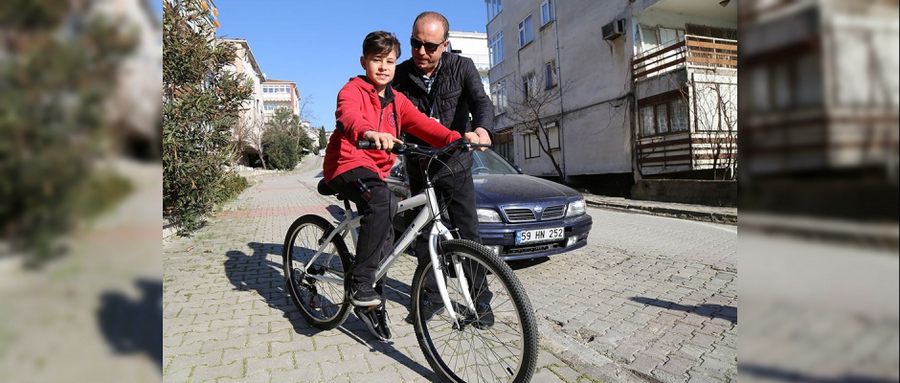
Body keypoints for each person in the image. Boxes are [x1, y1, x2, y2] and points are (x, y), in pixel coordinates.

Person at [321, 31, 482, 342]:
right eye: (377, 60)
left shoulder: (398, 101)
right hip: (346, 166)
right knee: (382, 202)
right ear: (364, 62)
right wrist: (369, 131)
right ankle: (360, 283)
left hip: (374, 173)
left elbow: (427, 127)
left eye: (390, 61)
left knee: (388, 217)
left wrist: (461, 140)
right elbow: (349, 117)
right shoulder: (352, 90)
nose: (384, 67)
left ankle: (372, 290)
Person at [392, 12, 495, 327]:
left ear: (445, 45)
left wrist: (483, 130)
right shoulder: (399, 74)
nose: (422, 52)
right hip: (419, 166)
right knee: (424, 236)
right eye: (415, 43)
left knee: (469, 235)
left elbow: (481, 103)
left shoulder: (462, 68)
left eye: (430, 46)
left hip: (455, 165)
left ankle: (481, 303)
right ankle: (433, 297)